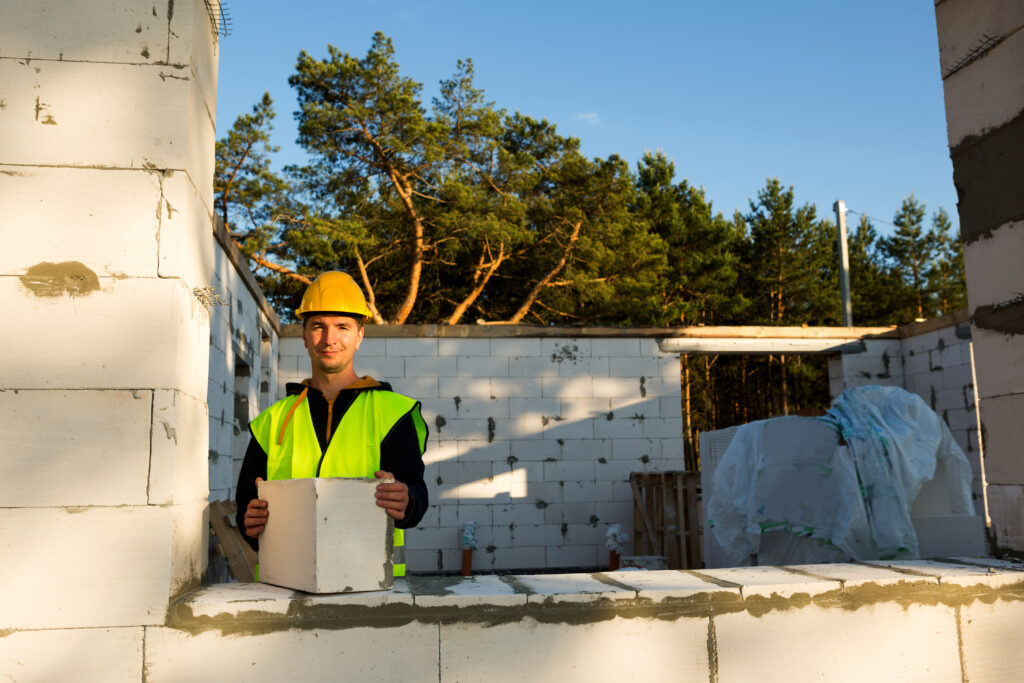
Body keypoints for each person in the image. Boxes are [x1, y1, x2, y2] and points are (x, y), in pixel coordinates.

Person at [235, 271, 428, 577]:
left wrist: (408, 500)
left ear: (359, 335)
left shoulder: (393, 413)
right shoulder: (272, 421)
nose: (329, 339)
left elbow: (416, 494)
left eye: (342, 327)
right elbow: (246, 508)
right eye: (318, 327)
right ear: (304, 335)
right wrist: (250, 523)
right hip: (286, 584)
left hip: (368, 585)